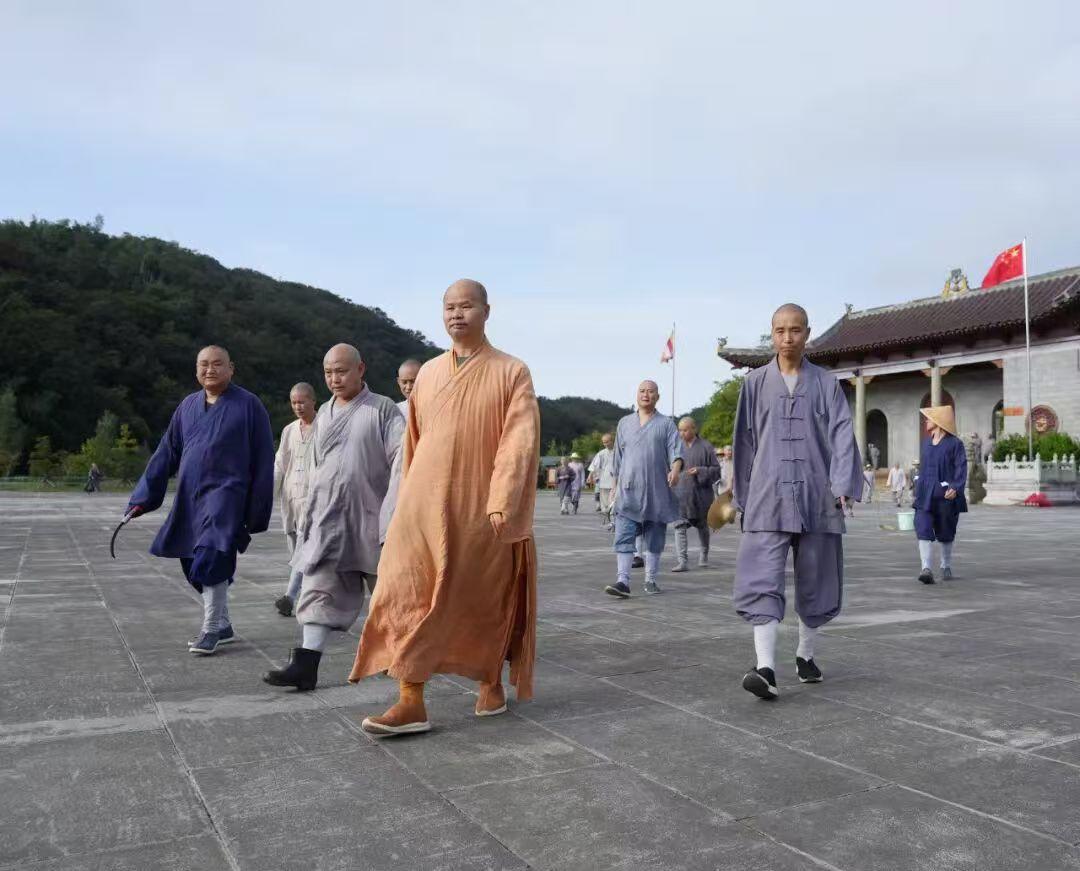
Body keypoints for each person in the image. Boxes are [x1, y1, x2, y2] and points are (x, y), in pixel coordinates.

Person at [350, 278, 541, 737]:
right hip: (423, 504)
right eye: (449, 306)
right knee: (405, 592)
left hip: (480, 508)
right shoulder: (430, 373)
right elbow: (414, 443)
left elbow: (519, 440)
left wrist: (503, 498)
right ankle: (410, 698)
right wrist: (404, 501)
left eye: (467, 306)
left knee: (479, 597)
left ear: (486, 311)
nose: (457, 314)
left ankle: (490, 679)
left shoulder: (512, 371)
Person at [732, 304, 862, 700]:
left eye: (795, 330)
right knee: (761, 578)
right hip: (767, 496)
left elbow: (842, 434)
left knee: (817, 578)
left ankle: (805, 654)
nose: (787, 338)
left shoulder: (826, 383)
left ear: (807, 333)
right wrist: (742, 496)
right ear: (771, 334)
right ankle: (765, 668)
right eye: (780, 330)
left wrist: (842, 483)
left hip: (816, 494)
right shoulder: (754, 384)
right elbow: (744, 443)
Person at [263, 345, 404, 691]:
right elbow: (317, 469)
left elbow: (403, 461)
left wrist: (394, 513)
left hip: (372, 517)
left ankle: (402, 657)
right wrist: (309, 514)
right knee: (318, 589)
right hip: (328, 519)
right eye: (328, 372)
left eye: (341, 371)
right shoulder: (324, 413)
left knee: (389, 594)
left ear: (360, 369)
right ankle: (305, 666)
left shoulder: (382, 409)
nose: (334, 379)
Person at [127, 345, 274, 655]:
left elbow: (263, 460)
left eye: (217, 364)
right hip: (190, 498)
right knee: (191, 562)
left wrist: (257, 508)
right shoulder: (187, 406)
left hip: (227, 497)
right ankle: (224, 625)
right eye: (203, 364)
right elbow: (166, 452)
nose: (210, 369)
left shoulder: (249, 405)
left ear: (231, 368)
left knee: (211, 556)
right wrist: (142, 499)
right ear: (196, 370)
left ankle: (210, 630)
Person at [603, 381, 682, 598]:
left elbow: (676, 452)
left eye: (651, 391)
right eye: (642, 391)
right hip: (628, 490)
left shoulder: (666, 424)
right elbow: (618, 459)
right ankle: (623, 581)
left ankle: (651, 579)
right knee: (624, 534)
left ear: (657, 396)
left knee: (655, 537)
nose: (646, 394)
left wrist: (675, 470)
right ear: (637, 395)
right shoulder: (624, 423)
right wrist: (614, 487)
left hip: (656, 490)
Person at [272, 383, 317, 617]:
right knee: (295, 547)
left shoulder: (324, 426)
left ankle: (289, 596)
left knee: (303, 545)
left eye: (302, 402)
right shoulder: (289, 430)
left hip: (314, 498)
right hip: (290, 497)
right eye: (294, 402)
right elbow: (280, 463)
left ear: (313, 401)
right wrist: (269, 495)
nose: (298, 407)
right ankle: (305, 593)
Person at [913, 405, 967, 584]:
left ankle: (945, 565)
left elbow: (961, 467)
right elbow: (923, 467)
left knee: (946, 530)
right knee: (922, 526)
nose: (926, 421)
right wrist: (917, 484)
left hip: (945, 495)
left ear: (938, 421)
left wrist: (956, 487)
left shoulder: (955, 444)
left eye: (929, 418)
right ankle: (926, 568)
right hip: (925, 494)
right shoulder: (926, 443)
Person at [671, 417, 721, 572]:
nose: (682, 433)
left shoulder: (706, 447)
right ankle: (682, 561)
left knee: (702, 527)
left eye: (685, 430)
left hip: (700, 495)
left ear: (694, 429)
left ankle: (704, 555)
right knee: (679, 527)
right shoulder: (676, 447)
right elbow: (669, 467)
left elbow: (716, 470)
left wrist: (700, 470)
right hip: (680, 494)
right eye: (680, 430)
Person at [588, 433, 617, 529]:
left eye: (607, 442)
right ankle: (609, 520)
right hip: (604, 482)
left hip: (615, 482)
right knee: (605, 505)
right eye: (604, 442)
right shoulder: (601, 453)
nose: (605, 444)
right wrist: (590, 476)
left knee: (613, 503)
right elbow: (594, 465)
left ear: (612, 441)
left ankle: (613, 522)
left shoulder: (618, 452)